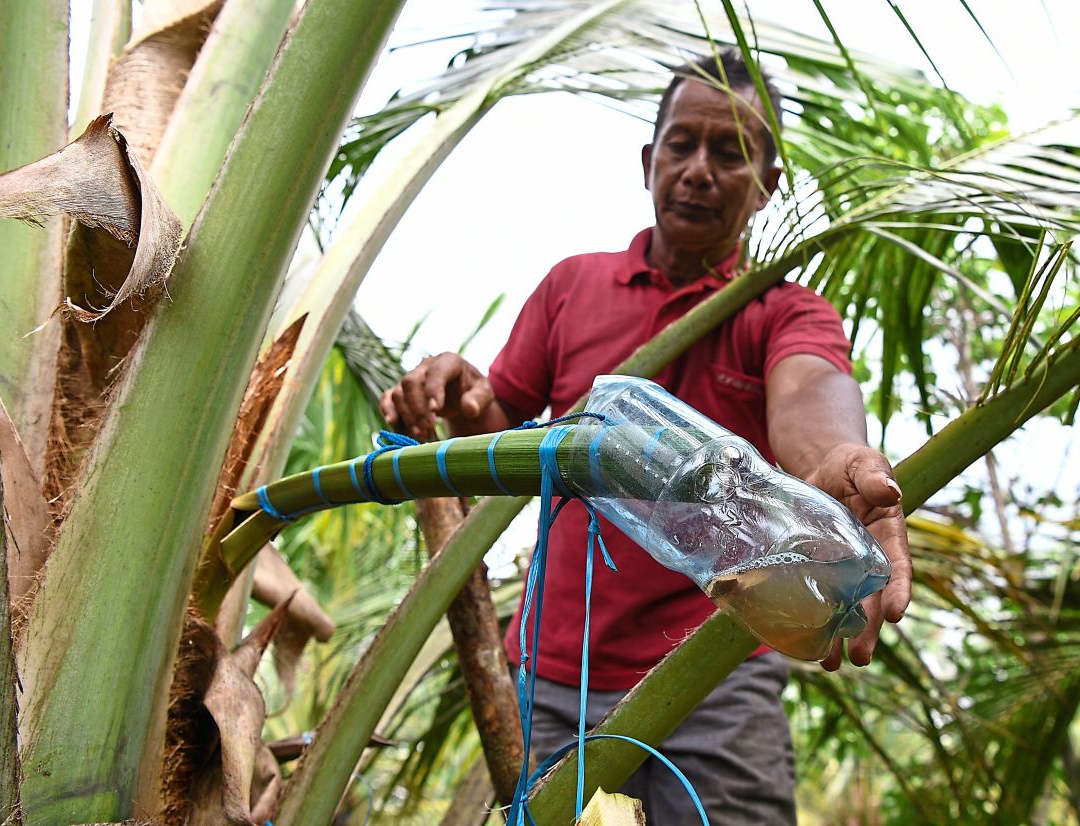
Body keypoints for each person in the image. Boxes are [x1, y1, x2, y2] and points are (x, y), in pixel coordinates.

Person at [381, 51, 911, 825]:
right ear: (648, 159)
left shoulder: (782, 311)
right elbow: (502, 433)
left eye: (730, 152)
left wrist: (836, 459)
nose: (699, 169)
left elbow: (810, 397)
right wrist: (463, 397)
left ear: (769, 183)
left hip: (714, 672)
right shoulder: (573, 287)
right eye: (681, 144)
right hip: (557, 671)